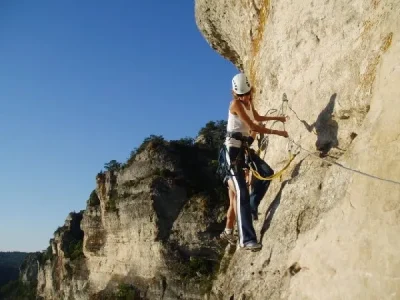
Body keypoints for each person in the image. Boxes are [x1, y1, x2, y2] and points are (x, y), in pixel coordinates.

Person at [224, 72, 288, 251]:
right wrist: (279, 133)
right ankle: (246, 240)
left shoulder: (248, 103)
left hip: (244, 148)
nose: (245, 97)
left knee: (267, 172)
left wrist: (278, 118)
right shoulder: (235, 104)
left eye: (247, 94)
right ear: (235, 94)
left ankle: (252, 205)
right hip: (233, 150)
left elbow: (257, 118)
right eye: (241, 95)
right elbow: (253, 127)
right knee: (241, 192)